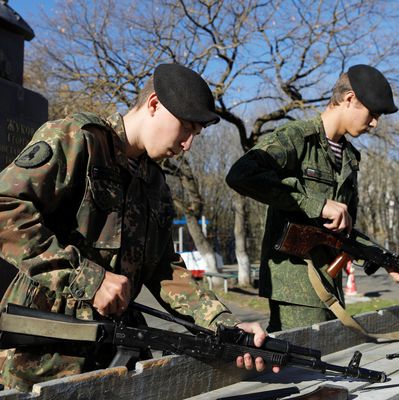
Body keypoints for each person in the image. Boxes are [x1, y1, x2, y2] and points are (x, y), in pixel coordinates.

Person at [0, 63, 275, 391]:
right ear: (155, 105)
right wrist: (90, 279)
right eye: (185, 128)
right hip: (47, 351)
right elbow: (5, 207)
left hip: (116, 353)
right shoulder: (79, 139)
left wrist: (225, 326)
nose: (187, 144)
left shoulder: (155, 184)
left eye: (195, 135)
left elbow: (166, 271)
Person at [226, 64, 399, 332]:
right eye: (372, 114)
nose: (375, 123)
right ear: (349, 99)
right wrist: (316, 204)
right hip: (294, 287)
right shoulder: (297, 138)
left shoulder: (351, 157)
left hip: (329, 286)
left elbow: (345, 227)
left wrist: (386, 259)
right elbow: (241, 174)